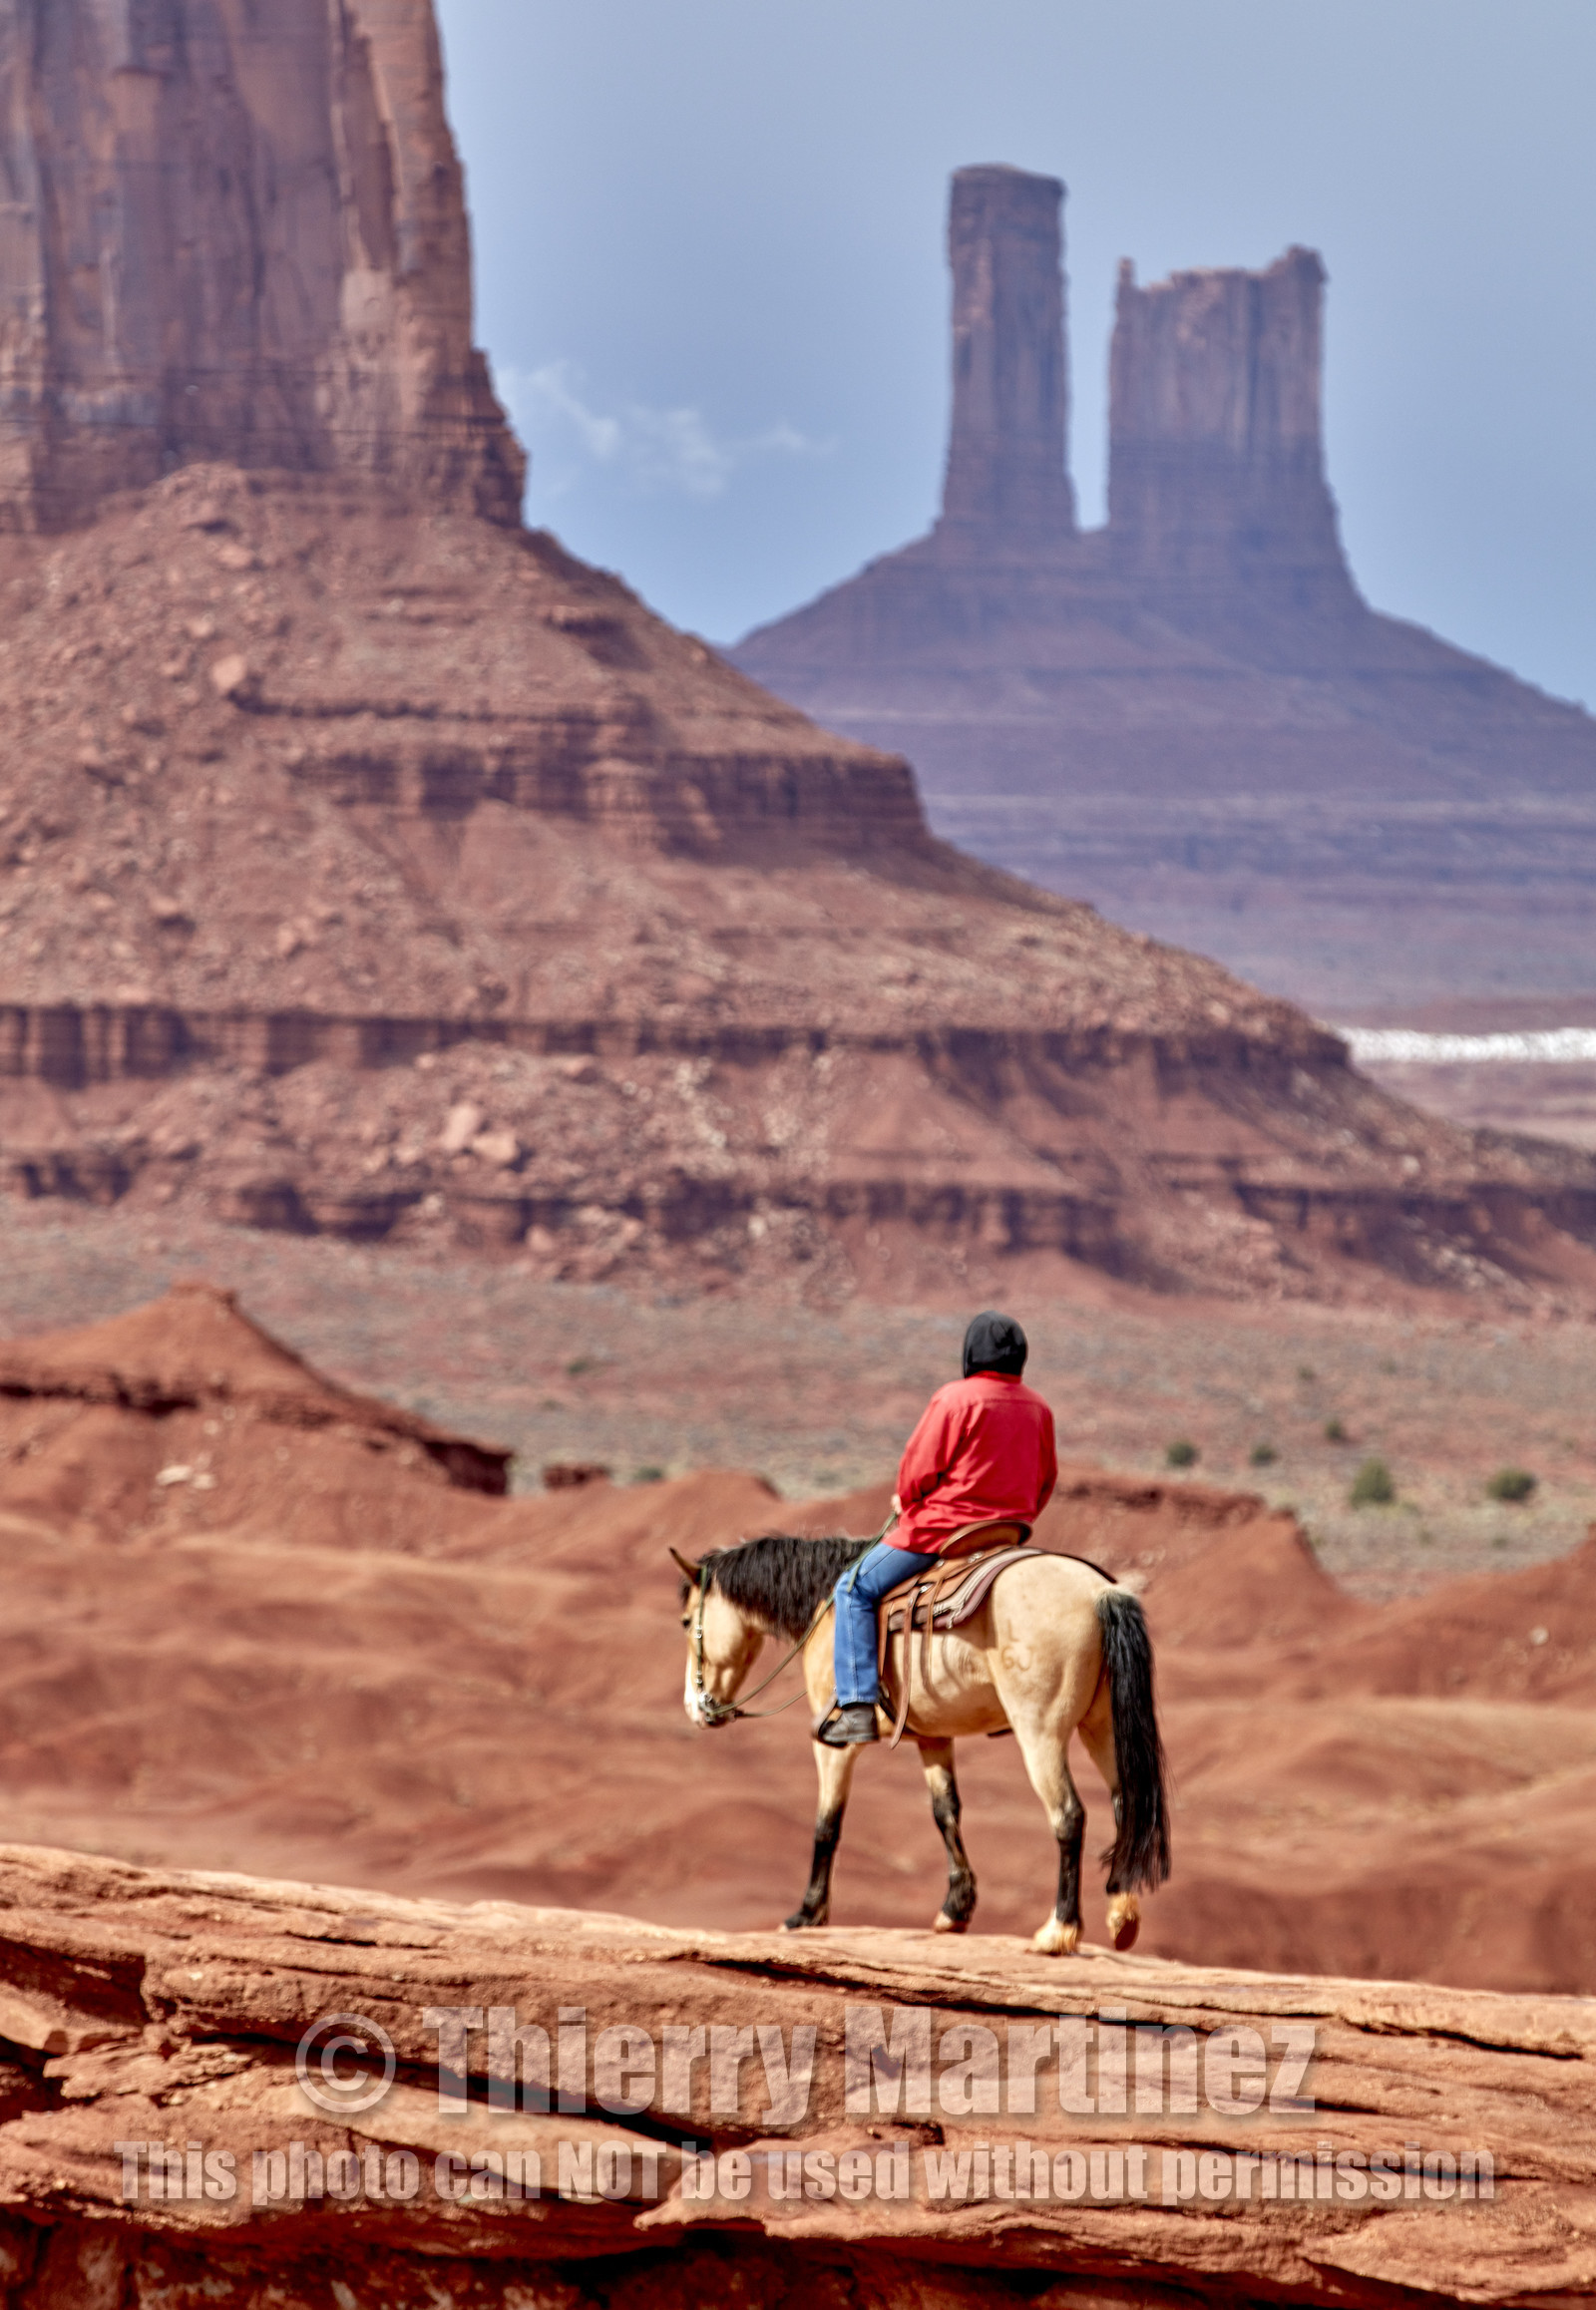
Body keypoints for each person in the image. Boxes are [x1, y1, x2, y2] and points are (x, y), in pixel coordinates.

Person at [817, 1311, 1058, 1746]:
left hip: (943, 1531)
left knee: (853, 1588)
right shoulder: (1039, 1407)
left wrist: (906, 1502)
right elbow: (1046, 1481)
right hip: (1008, 1534)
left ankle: (855, 1706)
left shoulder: (954, 1399)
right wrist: (1016, 1515)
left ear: (970, 1354)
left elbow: (918, 1469)